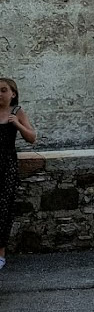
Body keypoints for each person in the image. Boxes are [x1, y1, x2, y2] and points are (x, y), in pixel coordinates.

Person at [0, 79, 36, 270]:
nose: (0, 94)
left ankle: (1, 254)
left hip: (7, 166)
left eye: (3, 90)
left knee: (4, 209)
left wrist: (17, 124)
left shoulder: (17, 112)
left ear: (13, 93)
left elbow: (32, 137)